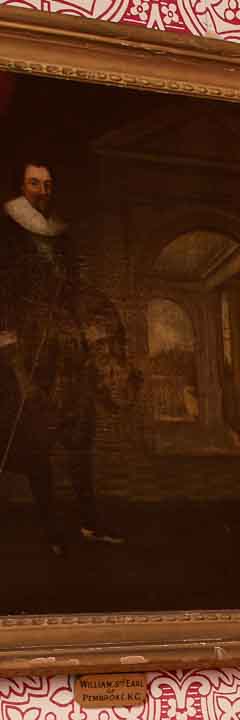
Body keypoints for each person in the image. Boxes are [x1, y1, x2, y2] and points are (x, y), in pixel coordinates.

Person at [0, 158, 124, 554]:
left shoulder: (63, 236)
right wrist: (11, 348)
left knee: (80, 434)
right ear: (21, 188)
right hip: (27, 345)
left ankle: (89, 522)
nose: (43, 191)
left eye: (48, 184)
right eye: (34, 183)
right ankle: (51, 531)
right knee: (36, 442)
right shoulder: (6, 232)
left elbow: (75, 288)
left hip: (67, 342)